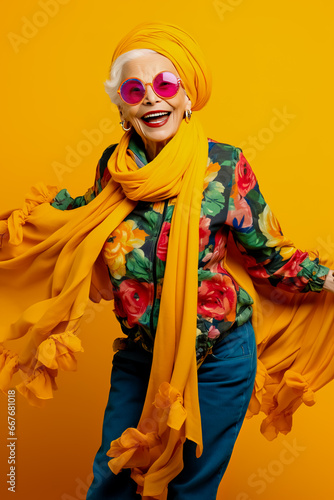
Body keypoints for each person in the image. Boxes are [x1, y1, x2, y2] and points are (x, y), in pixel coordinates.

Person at [0, 23, 333, 500]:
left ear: (187, 96)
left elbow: (267, 255)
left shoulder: (224, 166)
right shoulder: (114, 170)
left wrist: (328, 278)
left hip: (219, 358)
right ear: (122, 107)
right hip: (142, 355)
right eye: (136, 90)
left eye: (165, 84)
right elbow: (82, 225)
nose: (152, 99)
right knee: (111, 482)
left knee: (189, 491)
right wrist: (25, 229)